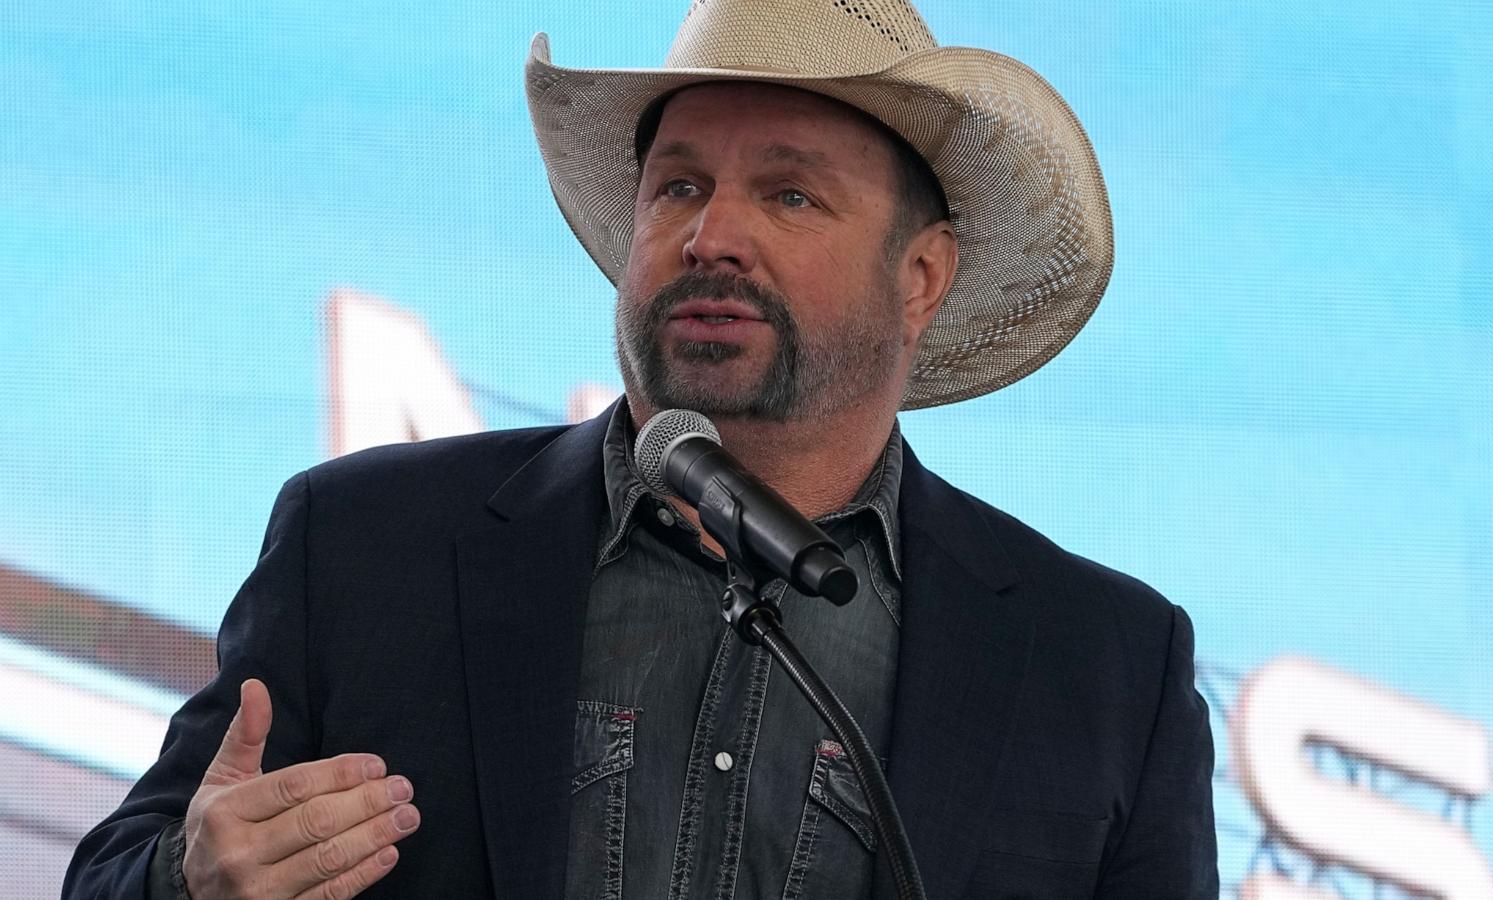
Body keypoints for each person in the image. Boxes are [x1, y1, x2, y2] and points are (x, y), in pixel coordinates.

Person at [65, 0, 1217, 897]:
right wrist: (191, 882)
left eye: (791, 196)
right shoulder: (367, 545)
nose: (713, 235)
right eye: (678, 187)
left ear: (920, 279)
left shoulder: (1107, 668)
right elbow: (112, 876)